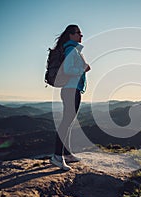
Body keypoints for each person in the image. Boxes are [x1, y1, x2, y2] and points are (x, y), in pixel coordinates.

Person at [50, 24, 91, 171]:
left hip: (71, 90)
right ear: (71, 35)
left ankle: (66, 154)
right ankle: (57, 156)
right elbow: (67, 69)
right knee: (66, 123)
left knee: (69, 122)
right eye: (78, 33)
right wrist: (83, 68)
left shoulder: (73, 49)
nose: (81, 35)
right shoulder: (72, 50)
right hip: (71, 90)